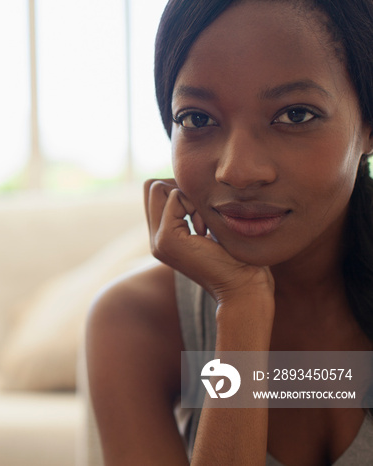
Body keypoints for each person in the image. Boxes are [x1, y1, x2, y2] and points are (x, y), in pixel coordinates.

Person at [85, 0, 373, 464]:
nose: (238, 171)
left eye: (295, 115)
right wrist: (241, 307)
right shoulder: (138, 321)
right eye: (197, 119)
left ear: (367, 124)